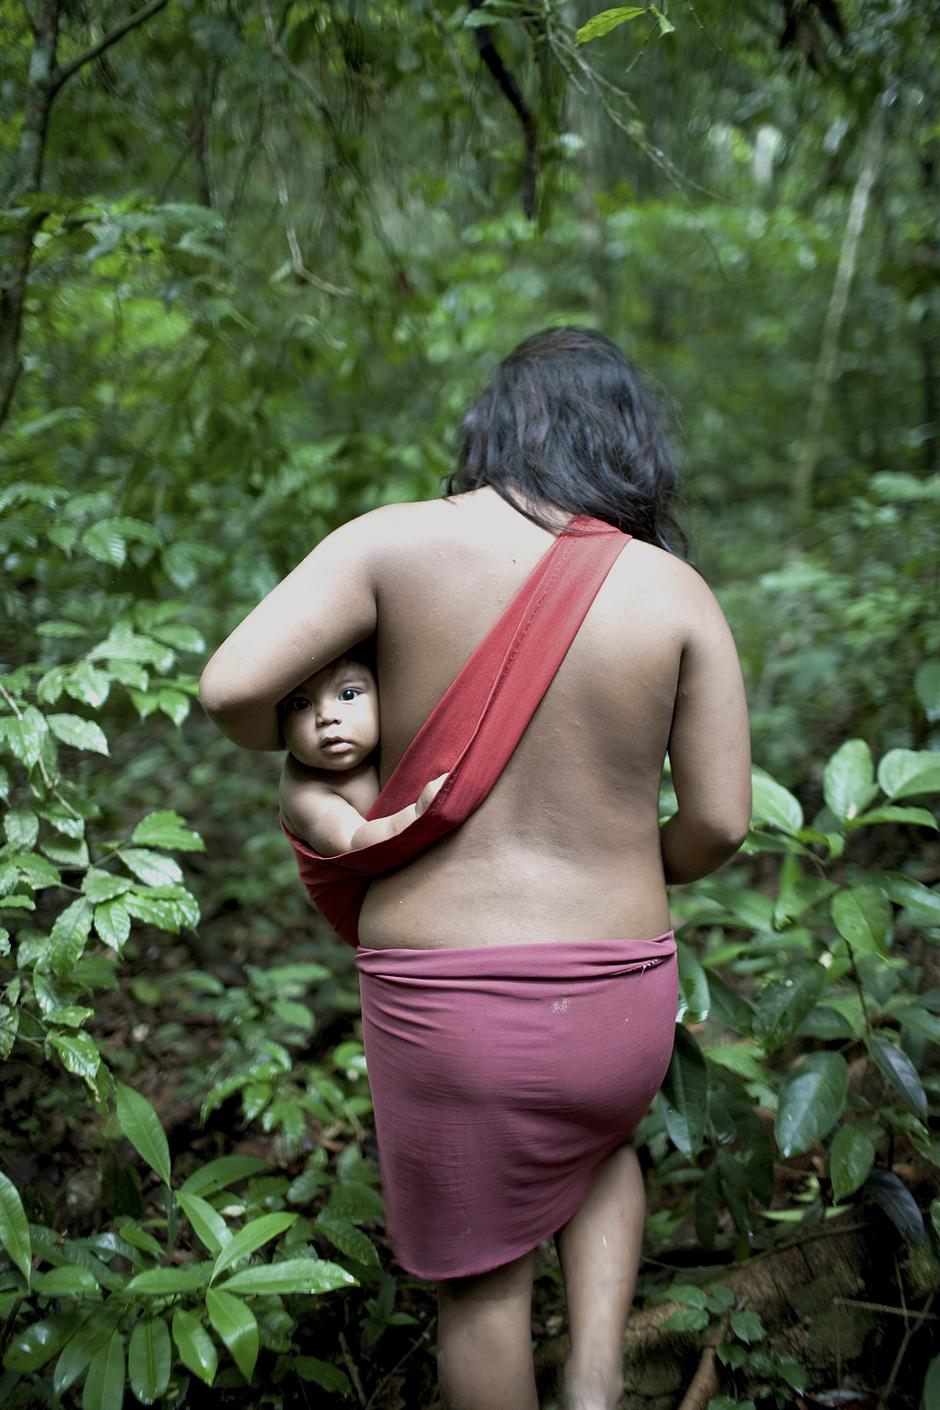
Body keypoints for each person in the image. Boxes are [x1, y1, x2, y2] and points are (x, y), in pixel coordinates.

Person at [199, 325, 752, 1410]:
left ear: (493, 431)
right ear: (629, 449)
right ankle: (594, 1385)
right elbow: (722, 825)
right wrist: (611, 856)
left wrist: (320, 761)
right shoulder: (674, 591)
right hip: (615, 996)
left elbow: (229, 691)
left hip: (445, 1008)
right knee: (596, 1145)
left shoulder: (387, 545)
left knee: (482, 1293)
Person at [276, 651, 447, 854]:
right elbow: (353, 843)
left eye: (348, 694)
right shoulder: (303, 791)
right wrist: (419, 814)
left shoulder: (392, 734)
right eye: (301, 704)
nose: (326, 716)